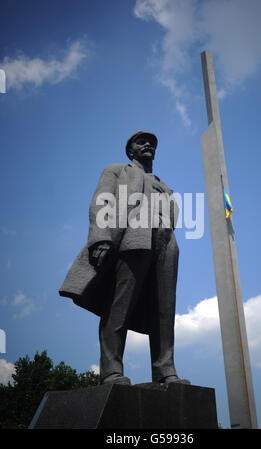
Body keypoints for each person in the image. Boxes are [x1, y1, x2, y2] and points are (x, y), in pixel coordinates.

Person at [59, 131, 190, 386]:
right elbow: (100, 203)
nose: (148, 145)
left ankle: (165, 370)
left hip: (166, 242)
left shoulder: (163, 183)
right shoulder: (117, 170)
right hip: (134, 239)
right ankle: (111, 371)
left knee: (165, 311)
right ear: (130, 150)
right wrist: (100, 238)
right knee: (120, 305)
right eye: (141, 142)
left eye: (152, 143)